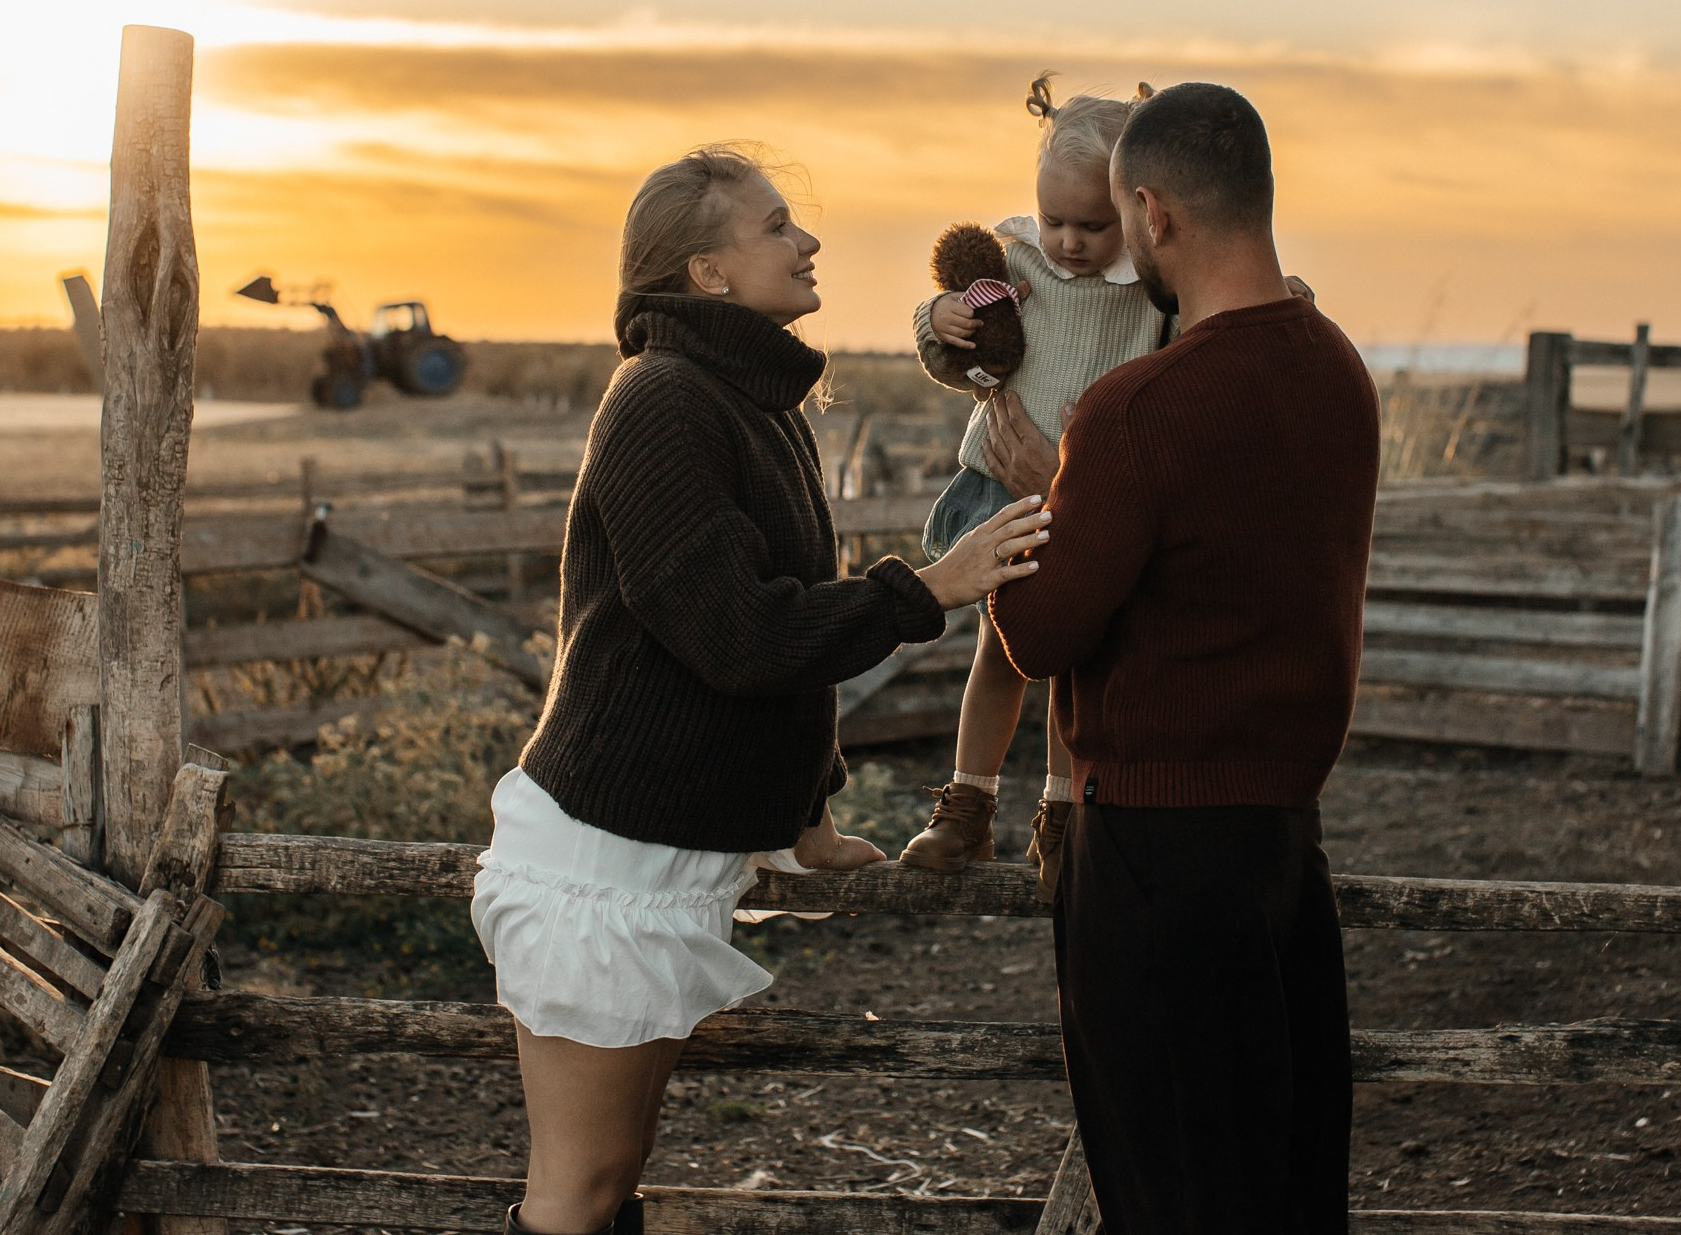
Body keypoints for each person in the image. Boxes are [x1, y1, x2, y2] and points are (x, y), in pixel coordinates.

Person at [472, 145, 1052, 1235]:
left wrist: (809, 823)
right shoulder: (661, 403)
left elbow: (781, 639)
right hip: (603, 857)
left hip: (664, 850)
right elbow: (738, 634)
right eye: (779, 224)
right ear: (707, 273)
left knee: (611, 1183)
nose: (809, 240)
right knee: (577, 1194)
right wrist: (925, 588)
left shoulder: (754, 401)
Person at [987, 82, 1380, 1234]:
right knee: (1287, 1200)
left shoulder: (1134, 412)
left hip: (1154, 863)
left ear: (1152, 214)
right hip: (1284, 855)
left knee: (1169, 1202)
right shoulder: (1339, 374)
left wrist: (1041, 499)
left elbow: (1042, 632)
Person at [898, 73, 1166, 887]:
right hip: (1003, 490)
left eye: (1094, 223)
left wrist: (1285, 291)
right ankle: (967, 807)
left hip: (1091, 498)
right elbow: (960, 341)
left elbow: (1217, 330)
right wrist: (938, 321)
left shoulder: (1152, 288)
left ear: (1136, 207)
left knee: (1075, 660)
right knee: (1002, 652)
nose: (1071, 242)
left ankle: (1063, 815)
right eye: (1055, 219)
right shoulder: (1016, 264)